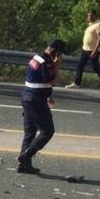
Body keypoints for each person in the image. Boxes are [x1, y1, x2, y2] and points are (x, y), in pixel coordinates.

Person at [18, 39, 65, 175]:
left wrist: (48, 95)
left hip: (27, 97)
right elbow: (52, 81)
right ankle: (26, 155)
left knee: (30, 132)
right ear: (55, 51)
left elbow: (38, 80)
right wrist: (57, 66)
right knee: (47, 131)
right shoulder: (46, 62)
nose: (60, 56)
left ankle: (24, 165)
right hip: (36, 100)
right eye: (60, 53)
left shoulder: (37, 57)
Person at [68, 11, 100, 90]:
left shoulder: (98, 24)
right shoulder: (91, 24)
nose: (89, 17)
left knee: (95, 67)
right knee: (80, 65)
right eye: (88, 16)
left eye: (91, 16)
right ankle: (77, 83)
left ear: (96, 16)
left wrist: (95, 51)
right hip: (85, 49)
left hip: (93, 50)